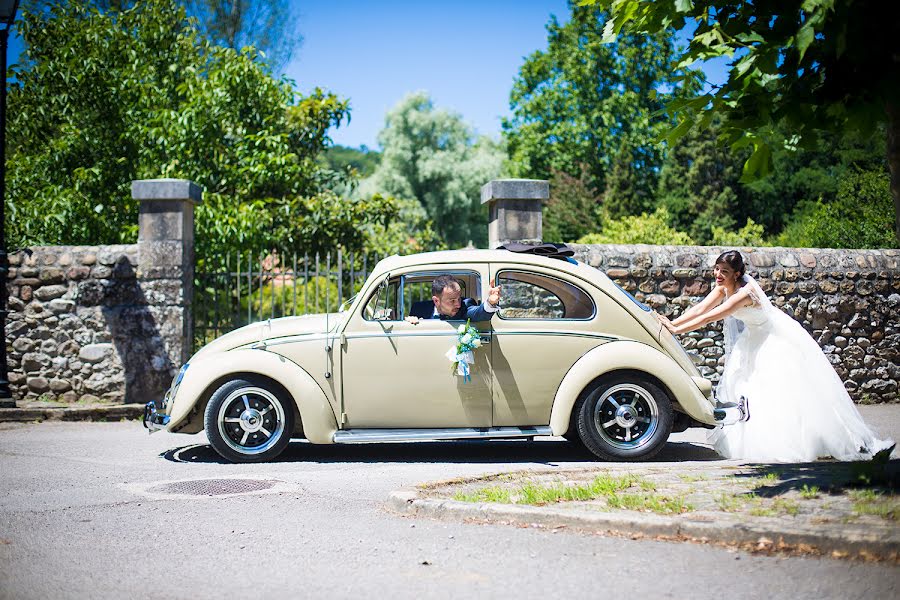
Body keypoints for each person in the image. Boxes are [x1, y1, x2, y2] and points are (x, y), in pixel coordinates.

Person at [656, 250, 893, 462]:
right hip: (752, 340)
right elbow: (700, 309)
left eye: (724, 271)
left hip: (774, 340)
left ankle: (843, 443)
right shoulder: (722, 287)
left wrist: (677, 331)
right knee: (746, 392)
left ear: (737, 274)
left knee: (785, 396)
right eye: (717, 269)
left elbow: (711, 317)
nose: (718, 274)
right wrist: (672, 323)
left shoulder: (744, 294)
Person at [406, 274, 501, 323]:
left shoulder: (465, 305)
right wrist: (411, 322)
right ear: (436, 301)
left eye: (459, 298)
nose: (458, 304)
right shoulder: (418, 308)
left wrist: (490, 303)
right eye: (452, 300)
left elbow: (479, 313)